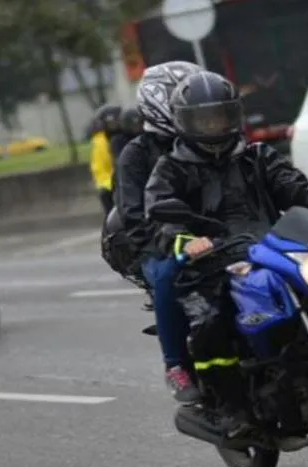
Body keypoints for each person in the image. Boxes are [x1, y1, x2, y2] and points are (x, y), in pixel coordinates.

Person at [144, 71, 308, 436]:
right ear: (186, 123)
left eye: (221, 116)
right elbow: (159, 212)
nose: (215, 126)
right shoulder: (171, 168)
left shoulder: (257, 156)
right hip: (213, 260)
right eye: (205, 119)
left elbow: (295, 186)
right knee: (214, 321)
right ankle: (232, 408)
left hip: (270, 248)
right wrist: (185, 240)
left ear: (234, 116)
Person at [110, 61, 204, 404]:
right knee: (168, 275)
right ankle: (176, 365)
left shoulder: (213, 141)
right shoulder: (136, 155)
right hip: (157, 245)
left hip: (217, 237)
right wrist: (172, 240)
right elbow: (134, 217)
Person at [89, 104, 122, 215]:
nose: (114, 126)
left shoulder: (126, 137)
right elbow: (101, 170)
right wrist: (112, 185)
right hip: (111, 187)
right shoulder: (100, 142)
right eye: (110, 123)